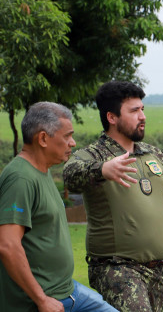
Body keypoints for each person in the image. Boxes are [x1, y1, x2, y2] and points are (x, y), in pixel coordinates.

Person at [63, 81, 163, 312]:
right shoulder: (93, 155)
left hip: (156, 271)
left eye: (142, 109)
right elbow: (70, 176)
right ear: (112, 117)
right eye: (134, 111)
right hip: (117, 270)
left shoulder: (150, 153)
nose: (142, 116)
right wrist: (102, 170)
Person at [0, 102, 118, 312]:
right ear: (43, 138)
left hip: (66, 290)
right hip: (41, 301)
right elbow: (7, 246)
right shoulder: (21, 178)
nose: (72, 143)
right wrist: (41, 299)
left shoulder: (41, 170)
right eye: (67, 136)